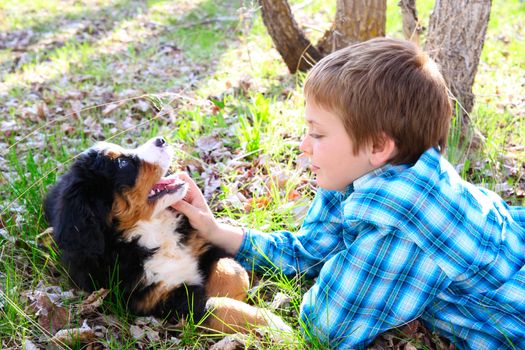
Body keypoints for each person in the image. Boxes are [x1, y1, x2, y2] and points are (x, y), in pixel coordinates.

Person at [172, 38, 525, 349]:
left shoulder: (396, 226)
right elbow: (311, 251)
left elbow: (327, 330)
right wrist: (217, 232)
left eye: (318, 134)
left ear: (377, 145)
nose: (303, 145)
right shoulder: (361, 171)